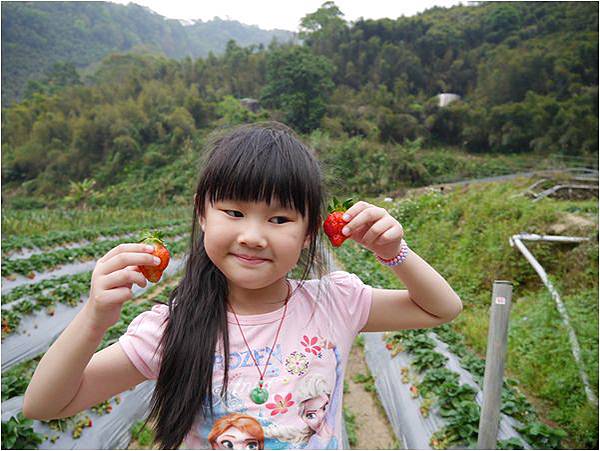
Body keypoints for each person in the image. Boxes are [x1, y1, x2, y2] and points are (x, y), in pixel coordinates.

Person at [23, 121, 462, 449]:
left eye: (279, 219)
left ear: (309, 231)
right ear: (202, 213)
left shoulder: (335, 302)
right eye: (233, 212)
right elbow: (45, 405)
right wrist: (96, 315)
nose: (253, 235)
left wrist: (394, 252)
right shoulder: (171, 329)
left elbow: (440, 308)